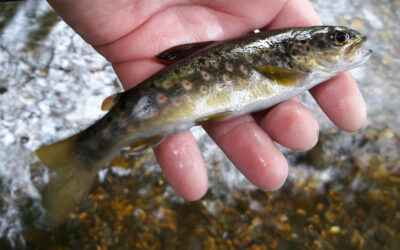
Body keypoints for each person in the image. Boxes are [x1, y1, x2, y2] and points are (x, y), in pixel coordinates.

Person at [47, 0, 366, 200]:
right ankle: (81, 155)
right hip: (154, 101)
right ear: (298, 49)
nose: (346, 43)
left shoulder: (293, 66)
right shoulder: (291, 70)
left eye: (340, 39)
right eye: (338, 39)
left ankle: (79, 155)